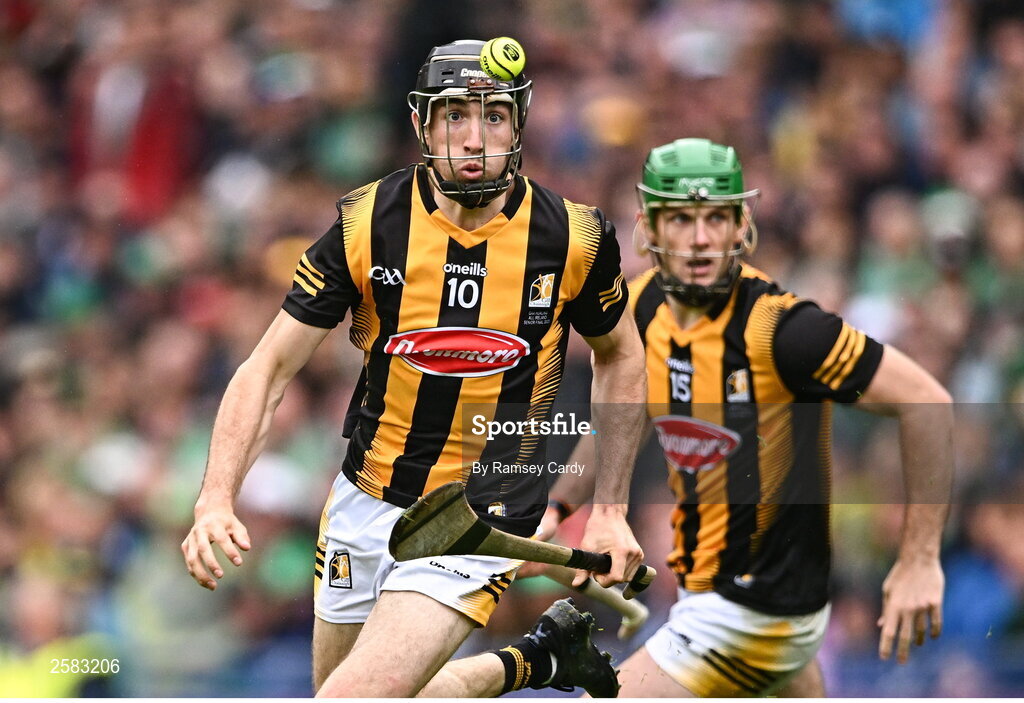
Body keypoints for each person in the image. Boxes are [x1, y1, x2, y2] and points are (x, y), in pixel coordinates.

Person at [181, 39, 647, 698]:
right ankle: (538, 659)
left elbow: (622, 356)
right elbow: (268, 368)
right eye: (454, 114)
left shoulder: (573, 237)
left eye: (493, 116)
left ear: (518, 125)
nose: (474, 137)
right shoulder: (367, 223)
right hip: (364, 501)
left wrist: (611, 508)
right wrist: (215, 496)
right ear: (422, 125)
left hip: (483, 511)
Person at [536, 138, 954, 696]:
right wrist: (559, 507)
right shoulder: (641, 307)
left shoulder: (783, 329)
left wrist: (920, 559)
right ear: (648, 227)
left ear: (741, 226)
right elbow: (620, 421)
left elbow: (928, 402)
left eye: (716, 218)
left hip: (752, 614)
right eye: (681, 219)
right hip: (709, 598)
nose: (700, 238)